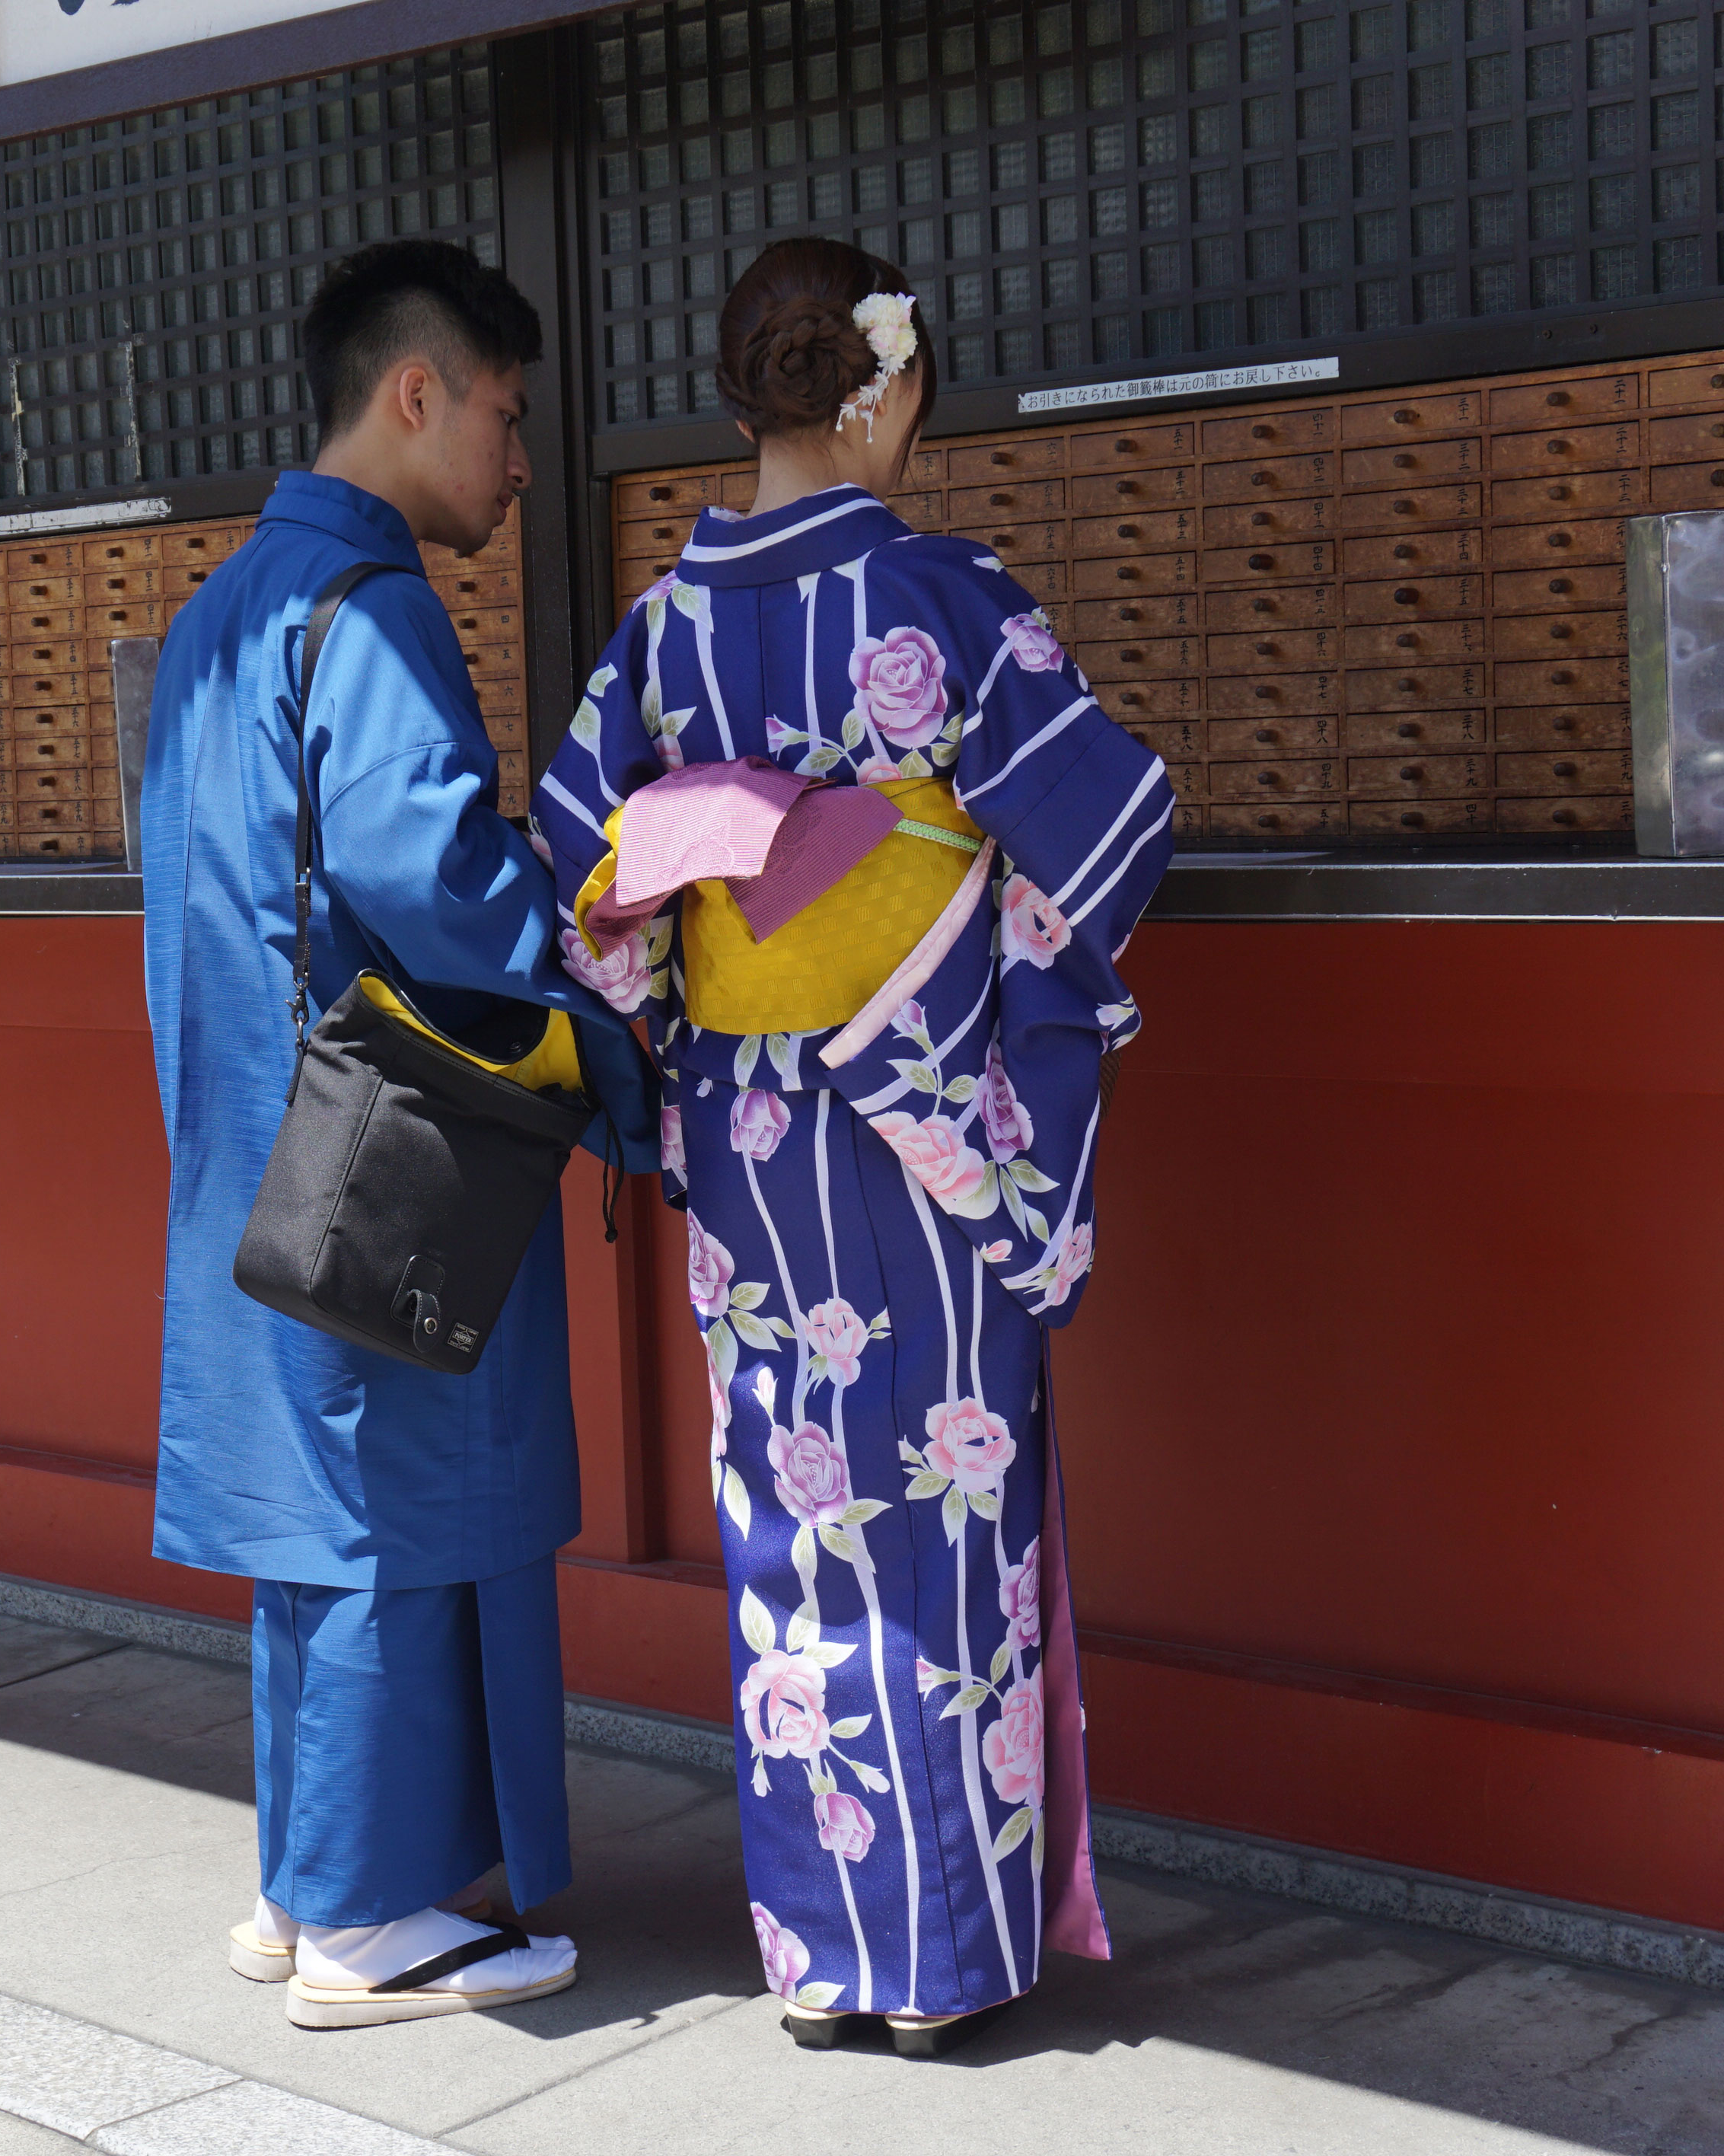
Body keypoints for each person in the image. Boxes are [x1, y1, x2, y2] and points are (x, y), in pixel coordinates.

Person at [536, 238, 1174, 2054]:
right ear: (884, 390)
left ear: (744, 403)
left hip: (748, 1135)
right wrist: (945, 923)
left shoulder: (656, 631)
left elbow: (580, 884)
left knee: (790, 1514)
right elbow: (1115, 828)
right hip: (924, 1124)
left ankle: (819, 1958)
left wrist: (715, 934)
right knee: (941, 1508)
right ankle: (937, 1966)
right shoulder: (943, 593)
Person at [142, 238, 661, 2030]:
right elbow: (428, 872)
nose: (523, 464)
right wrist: (606, 1030)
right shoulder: (368, 610)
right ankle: (378, 1917)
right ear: (417, 390)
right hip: (389, 1140)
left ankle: (302, 1882)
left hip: (248, 1143)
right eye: (509, 418)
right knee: (402, 1508)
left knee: (317, 1522)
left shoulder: (222, 613)